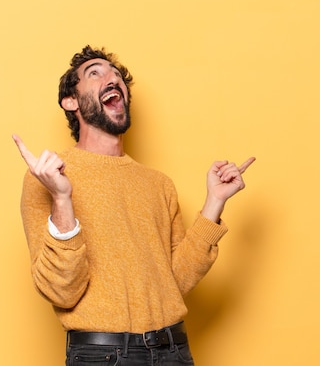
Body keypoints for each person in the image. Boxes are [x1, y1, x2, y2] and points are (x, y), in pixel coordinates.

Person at [13, 45, 255, 366]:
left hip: (173, 350)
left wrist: (214, 202)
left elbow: (174, 283)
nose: (112, 79)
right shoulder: (47, 177)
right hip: (102, 355)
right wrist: (61, 198)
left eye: (117, 76)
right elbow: (62, 292)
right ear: (71, 102)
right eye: (95, 73)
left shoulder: (158, 184)